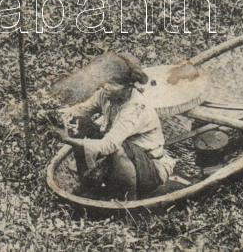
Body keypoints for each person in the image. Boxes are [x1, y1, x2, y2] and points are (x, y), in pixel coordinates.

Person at [52, 53, 175, 200]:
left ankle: (129, 199)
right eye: (104, 81)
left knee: (119, 149)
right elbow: (81, 109)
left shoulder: (135, 108)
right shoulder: (105, 95)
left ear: (128, 87)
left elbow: (108, 145)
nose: (106, 87)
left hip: (149, 168)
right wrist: (56, 114)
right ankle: (88, 185)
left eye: (113, 83)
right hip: (121, 158)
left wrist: (67, 140)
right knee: (80, 122)